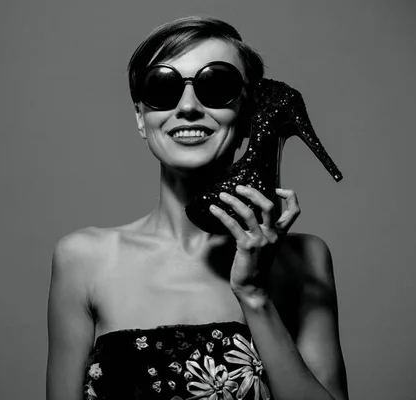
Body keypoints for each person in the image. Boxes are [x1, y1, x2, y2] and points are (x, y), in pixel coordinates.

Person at [47, 16, 348, 400]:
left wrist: (254, 295)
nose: (188, 107)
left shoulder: (303, 260)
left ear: (249, 114)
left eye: (216, 86)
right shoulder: (83, 260)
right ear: (141, 117)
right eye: (162, 87)